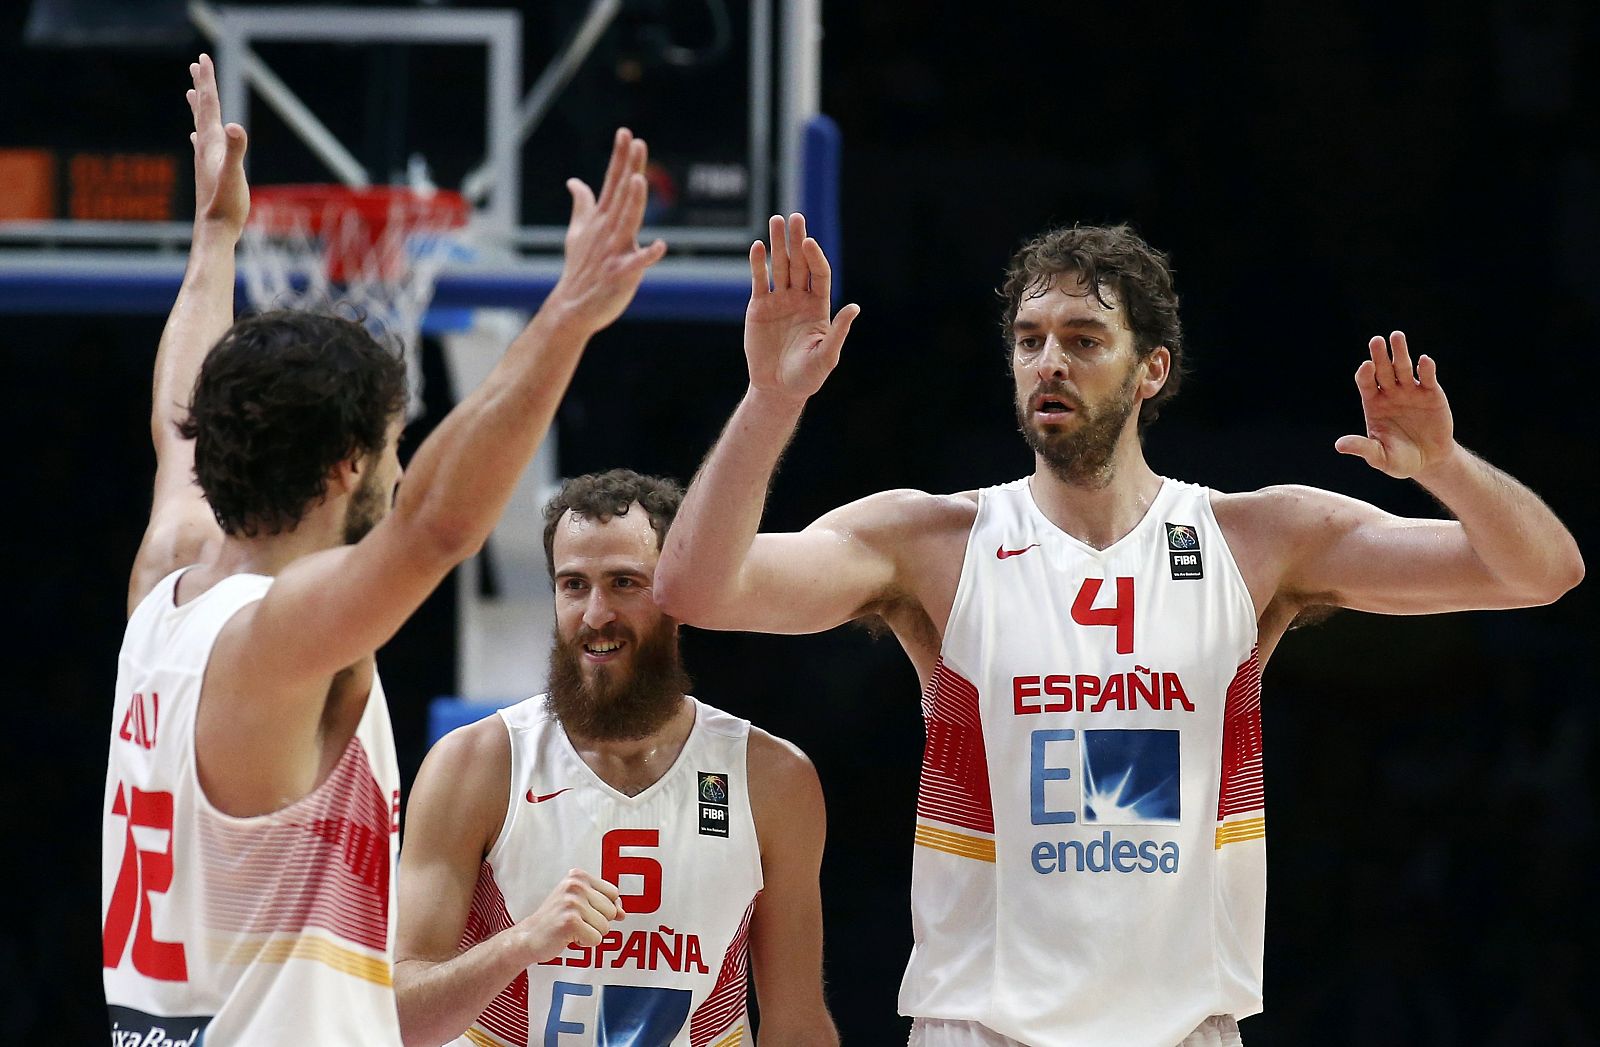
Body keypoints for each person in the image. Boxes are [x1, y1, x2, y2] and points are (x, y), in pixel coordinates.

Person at [652, 215, 1585, 1047]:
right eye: (1029, 340)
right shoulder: (933, 541)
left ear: (1152, 370)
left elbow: (1541, 573)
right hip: (981, 1026)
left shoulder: (1256, 538)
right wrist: (771, 400)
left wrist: (1445, 464)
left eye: (1083, 339)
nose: (1048, 362)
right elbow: (697, 588)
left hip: (1184, 1027)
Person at [103, 54, 667, 1045]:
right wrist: (567, 318)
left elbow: (175, 416)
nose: (402, 471)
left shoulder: (169, 578)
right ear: (343, 468)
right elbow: (437, 527)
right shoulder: (276, 637)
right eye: (396, 447)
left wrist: (217, 239)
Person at [393, 469, 836, 1047]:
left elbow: (797, 1023)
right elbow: (398, 1017)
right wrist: (521, 943)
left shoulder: (772, 778)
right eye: (574, 585)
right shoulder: (474, 764)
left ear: (677, 593)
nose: (595, 613)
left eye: (625, 583)